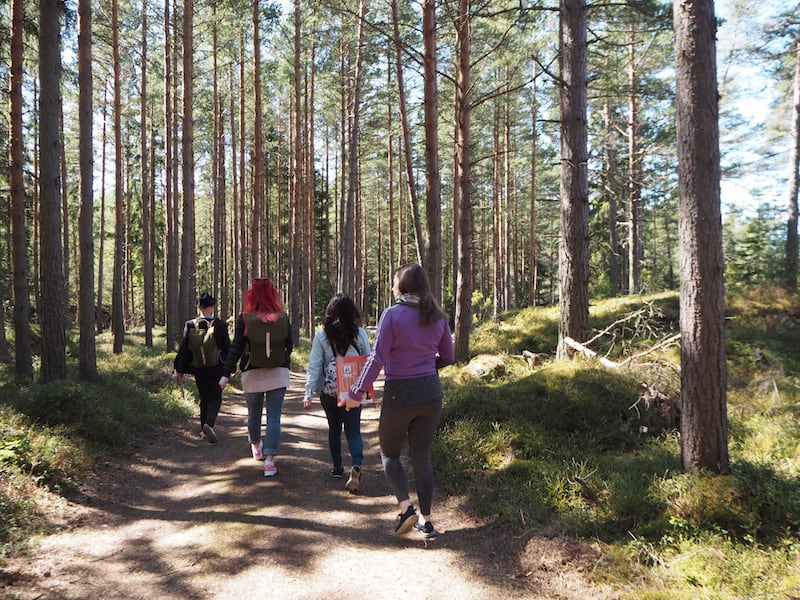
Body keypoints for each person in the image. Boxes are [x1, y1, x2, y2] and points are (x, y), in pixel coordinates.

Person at [348, 264, 455, 539]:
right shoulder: (438, 317)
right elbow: (448, 357)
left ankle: (406, 508)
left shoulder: (392, 315)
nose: (393, 285)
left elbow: (377, 358)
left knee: (390, 454)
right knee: (422, 458)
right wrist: (426, 369)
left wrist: (356, 391)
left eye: (395, 281)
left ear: (403, 286)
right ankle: (427, 521)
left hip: (400, 392)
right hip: (431, 392)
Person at [219, 278, 293, 477]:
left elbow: (236, 347)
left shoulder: (245, 318)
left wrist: (225, 373)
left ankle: (256, 446)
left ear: (252, 294)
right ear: (273, 294)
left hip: (252, 372)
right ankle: (270, 462)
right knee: (274, 417)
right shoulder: (283, 317)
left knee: (254, 413)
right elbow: (290, 346)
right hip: (278, 373)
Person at [302, 294, 372, 493]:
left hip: (330, 391)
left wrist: (309, 392)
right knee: (353, 430)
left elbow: (315, 366)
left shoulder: (322, 336)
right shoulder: (360, 335)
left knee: (334, 428)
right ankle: (357, 465)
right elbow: (368, 361)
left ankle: (337, 467)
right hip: (354, 390)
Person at [174, 292, 231, 444]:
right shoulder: (220, 324)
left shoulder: (190, 324)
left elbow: (184, 349)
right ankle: (209, 423)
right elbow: (227, 348)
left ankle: (203, 430)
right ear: (211, 307)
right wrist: (229, 368)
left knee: (203, 397)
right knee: (216, 397)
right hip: (216, 368)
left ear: (199, 308)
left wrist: (179, 369)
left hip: (198, 368)